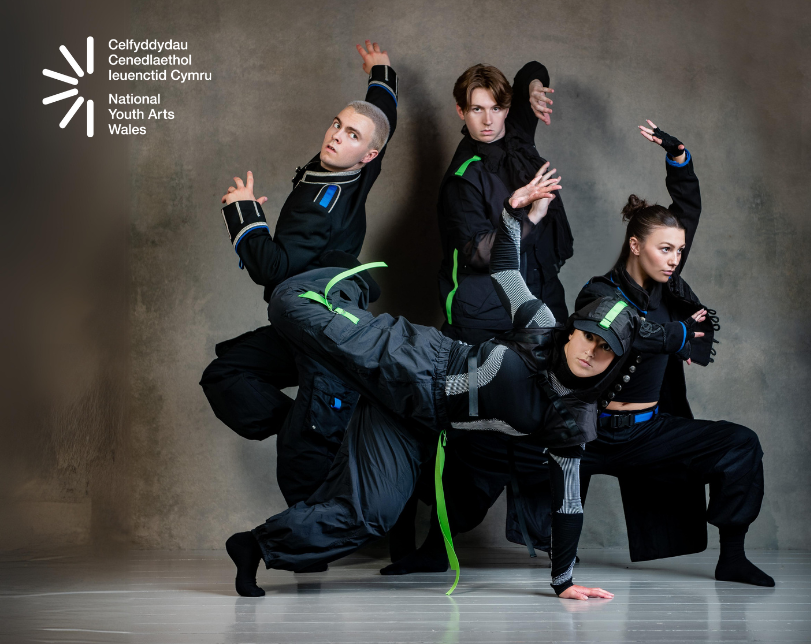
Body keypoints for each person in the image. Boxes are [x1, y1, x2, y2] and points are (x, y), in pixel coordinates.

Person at [224, 170, 704, 599]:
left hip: (415, 419)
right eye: (586, 336)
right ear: (573, 328)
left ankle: (255, 547)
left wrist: (563, 582)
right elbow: (506, 269)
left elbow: (569, 502)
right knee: (290, 305)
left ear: (614, 362)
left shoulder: (571, 421)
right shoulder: (540, 323)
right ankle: (343, 282)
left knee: (372, 516)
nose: (588, 352)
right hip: (415, 361)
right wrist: (513, 212)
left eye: (604, 351)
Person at [386, 59, 573, 565]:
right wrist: (518, 210)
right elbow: (478, 255)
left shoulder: (514, 135)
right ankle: (428, 538)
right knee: (474, 433)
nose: (487, 120)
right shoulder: (461, 181)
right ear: (460, 113)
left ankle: (549, 536)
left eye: (496, 107)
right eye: (476, 110)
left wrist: (534, 85)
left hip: (536, 306)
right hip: (483, 316)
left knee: (547, 420)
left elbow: (532, 65)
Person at [572, 120, 774, 587]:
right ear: (635, 245)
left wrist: (680, 160)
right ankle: (561, 554)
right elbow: (627, 331)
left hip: (648, 433)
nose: (673, 259)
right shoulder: (597, 292)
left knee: (740, 443)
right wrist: (679, 335)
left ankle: (733, 558)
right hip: (591, 434)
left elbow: (684, 214)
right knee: (512, 456)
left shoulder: (669, 287)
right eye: (664, 249)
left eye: (679, 252)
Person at [199, 41, 398, 506]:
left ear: (368, 156)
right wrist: (381, 72)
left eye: (352, 135)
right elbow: (384, 113)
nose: (336, 136)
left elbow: (270, 267)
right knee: (227, 374)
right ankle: (309, 422)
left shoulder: (318, 207)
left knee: (301, 457)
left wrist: (242, 213)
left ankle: (310, 541)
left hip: (324, 327)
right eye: (338, 124)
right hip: (299, 326)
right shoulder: (359, 169)